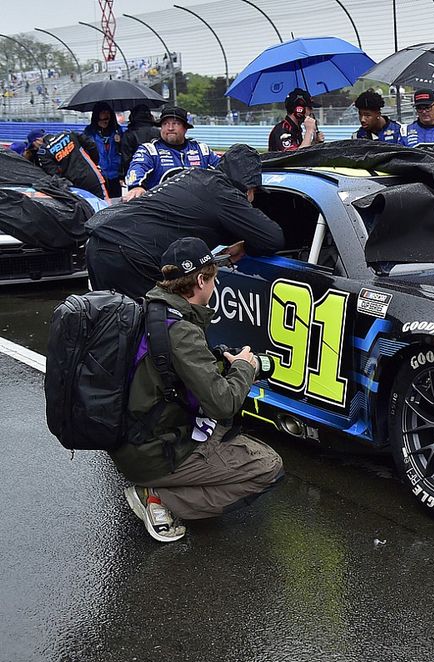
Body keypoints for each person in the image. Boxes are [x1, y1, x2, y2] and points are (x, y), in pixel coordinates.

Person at [115, 236, 284, 542]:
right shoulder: (182, 332)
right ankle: (158, 497)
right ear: (202, 280)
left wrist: (221, 362)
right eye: (214, 279)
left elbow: (170, 373)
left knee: (226, 435)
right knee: (268, 466)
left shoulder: (153, 308)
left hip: (133, 440)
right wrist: (246, 367)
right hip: (153, 453)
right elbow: (223, 403)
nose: (215, 287)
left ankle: (160, 486)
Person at [87, 144, 285, 300]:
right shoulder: (225, 193)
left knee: (111, 325)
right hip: (128, 254)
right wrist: (245, 245)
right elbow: (272, 238)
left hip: (99, 242)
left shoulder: (195, 175)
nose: (253, 198)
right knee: (149, 334)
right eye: (255, 193)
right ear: (249, 187)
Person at [123, 106, 220, 202]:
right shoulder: (149, 150)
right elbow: (137, 169)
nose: (170, 128)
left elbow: (223, 168)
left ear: (185, 128)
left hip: (198, 208)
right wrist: (136, 186)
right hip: (162, 210)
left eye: (175, 124)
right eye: (165, 124)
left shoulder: (201, 150)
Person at [36, 130, 109, 200]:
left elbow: (54, 174)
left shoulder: (44, 152)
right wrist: (94, 162)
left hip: (73, 185)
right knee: (104, 204)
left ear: (39, 140)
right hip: (91, 175)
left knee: (85, 209)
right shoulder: (68, 134)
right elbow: (91, 145)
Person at [82, 102, 124, 197]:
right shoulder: (89, 132)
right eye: (103, 112)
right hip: (98, 175)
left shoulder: (117, 130)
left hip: (115, 175)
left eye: (108, 112)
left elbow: (123, 151)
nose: (106, 114)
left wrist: (120, 142)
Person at [119, 104, 159, 179]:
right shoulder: (158, 132)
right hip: (156, 170)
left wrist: (123, 174)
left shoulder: (129, 134)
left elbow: (126, 157)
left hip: (136, 171)